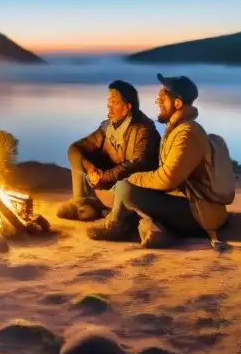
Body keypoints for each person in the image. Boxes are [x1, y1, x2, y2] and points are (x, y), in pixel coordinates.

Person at [87, 74, 228, 247]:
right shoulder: (178, 129)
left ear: (177, 103)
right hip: (192, 205)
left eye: (162, 98)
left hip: (199, 215)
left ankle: (117, 224)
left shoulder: (187, 133)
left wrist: (132, 178)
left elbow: (167, 179)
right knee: (128, 189)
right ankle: (152, 227)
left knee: (127, 189)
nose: (157, 102)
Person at [57, 80, 161, 221]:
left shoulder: (144, 130)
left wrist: (105, 177)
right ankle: (81, 203)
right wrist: (90, 168)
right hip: (104, 186)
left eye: (114, 102)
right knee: (80, 156)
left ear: (127, 107)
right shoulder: (107, 127)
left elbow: (139, 163)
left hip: (128, 191)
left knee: (124, 186)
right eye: (109, 101)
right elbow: (76, 148)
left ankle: (106, 210)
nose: (109, 106)